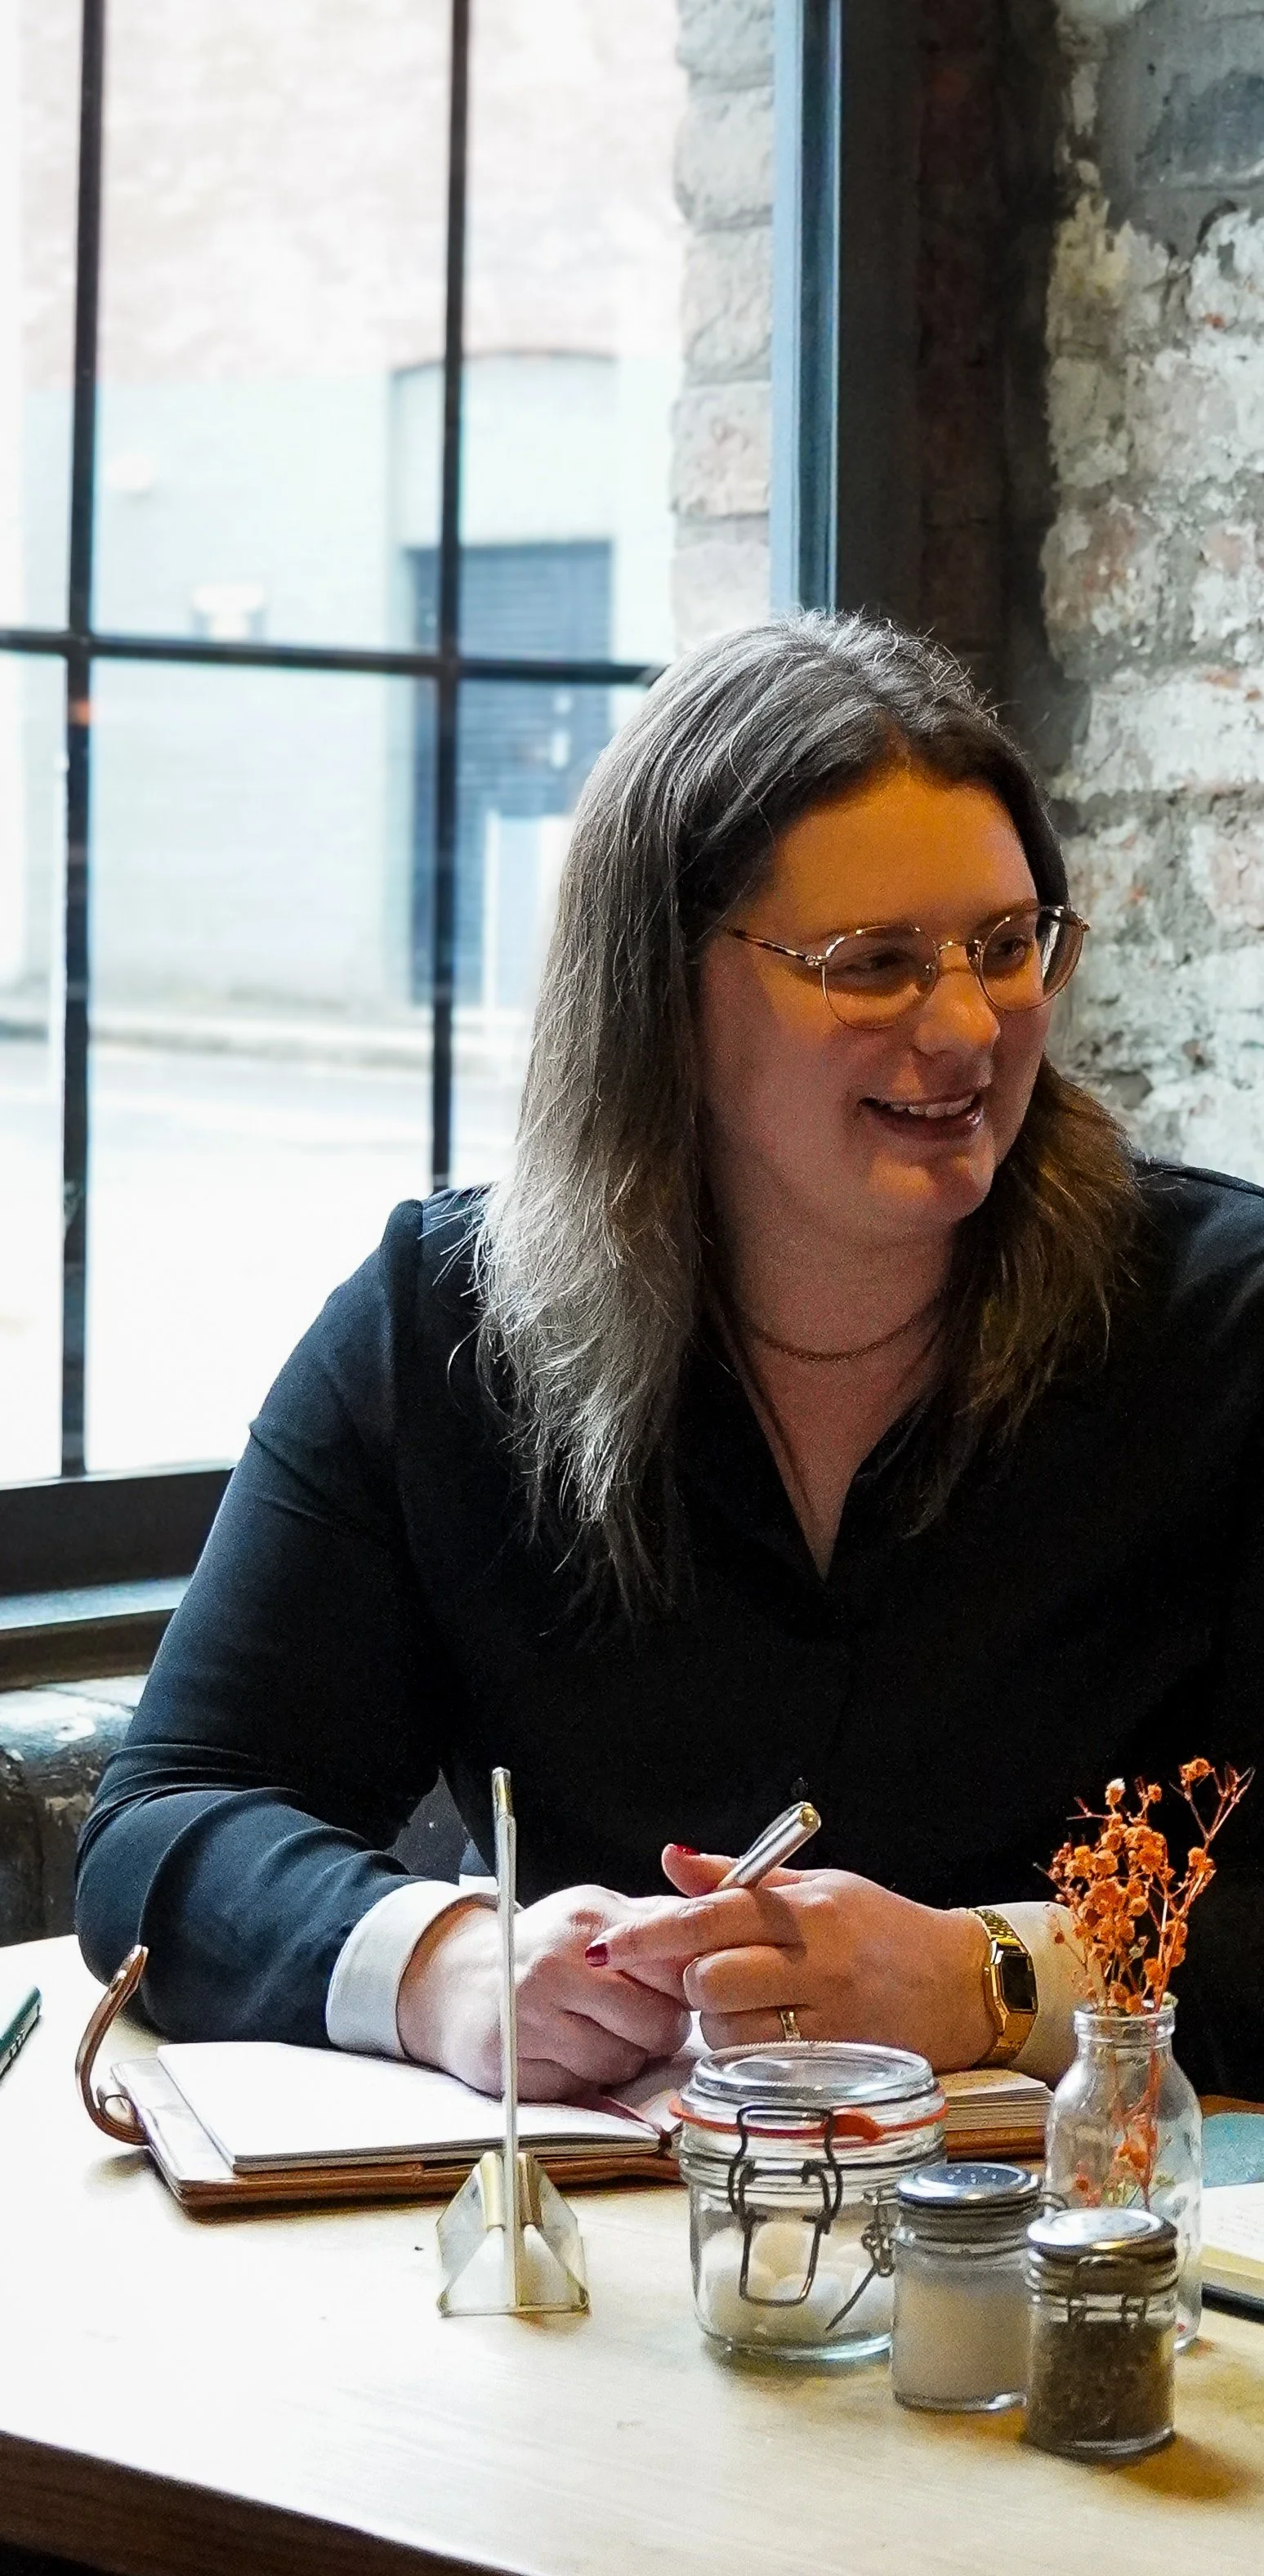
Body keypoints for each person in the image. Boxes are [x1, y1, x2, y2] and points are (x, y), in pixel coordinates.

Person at [76, 614, 1264, 2102]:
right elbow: (164, 1826)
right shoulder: (439, 1325)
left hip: (1109, 2270)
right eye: (873, 963)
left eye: (1005, 946)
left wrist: (995, 1977)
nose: (967, 1026)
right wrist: (444, 1962)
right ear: (663, 994)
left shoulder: (1225, 1319)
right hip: (623, 2257)